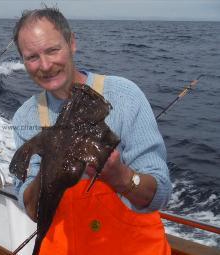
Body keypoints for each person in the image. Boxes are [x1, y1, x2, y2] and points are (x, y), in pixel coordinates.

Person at [11, 7, 172, 255]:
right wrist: (50, 158)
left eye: (53, 50)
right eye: (32, 57)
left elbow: (160, 193)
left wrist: (119, 176)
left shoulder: (125, 96)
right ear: (23, 61)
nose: (45, 65)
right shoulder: (26, 116)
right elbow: (33, 209)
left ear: (72, 43)